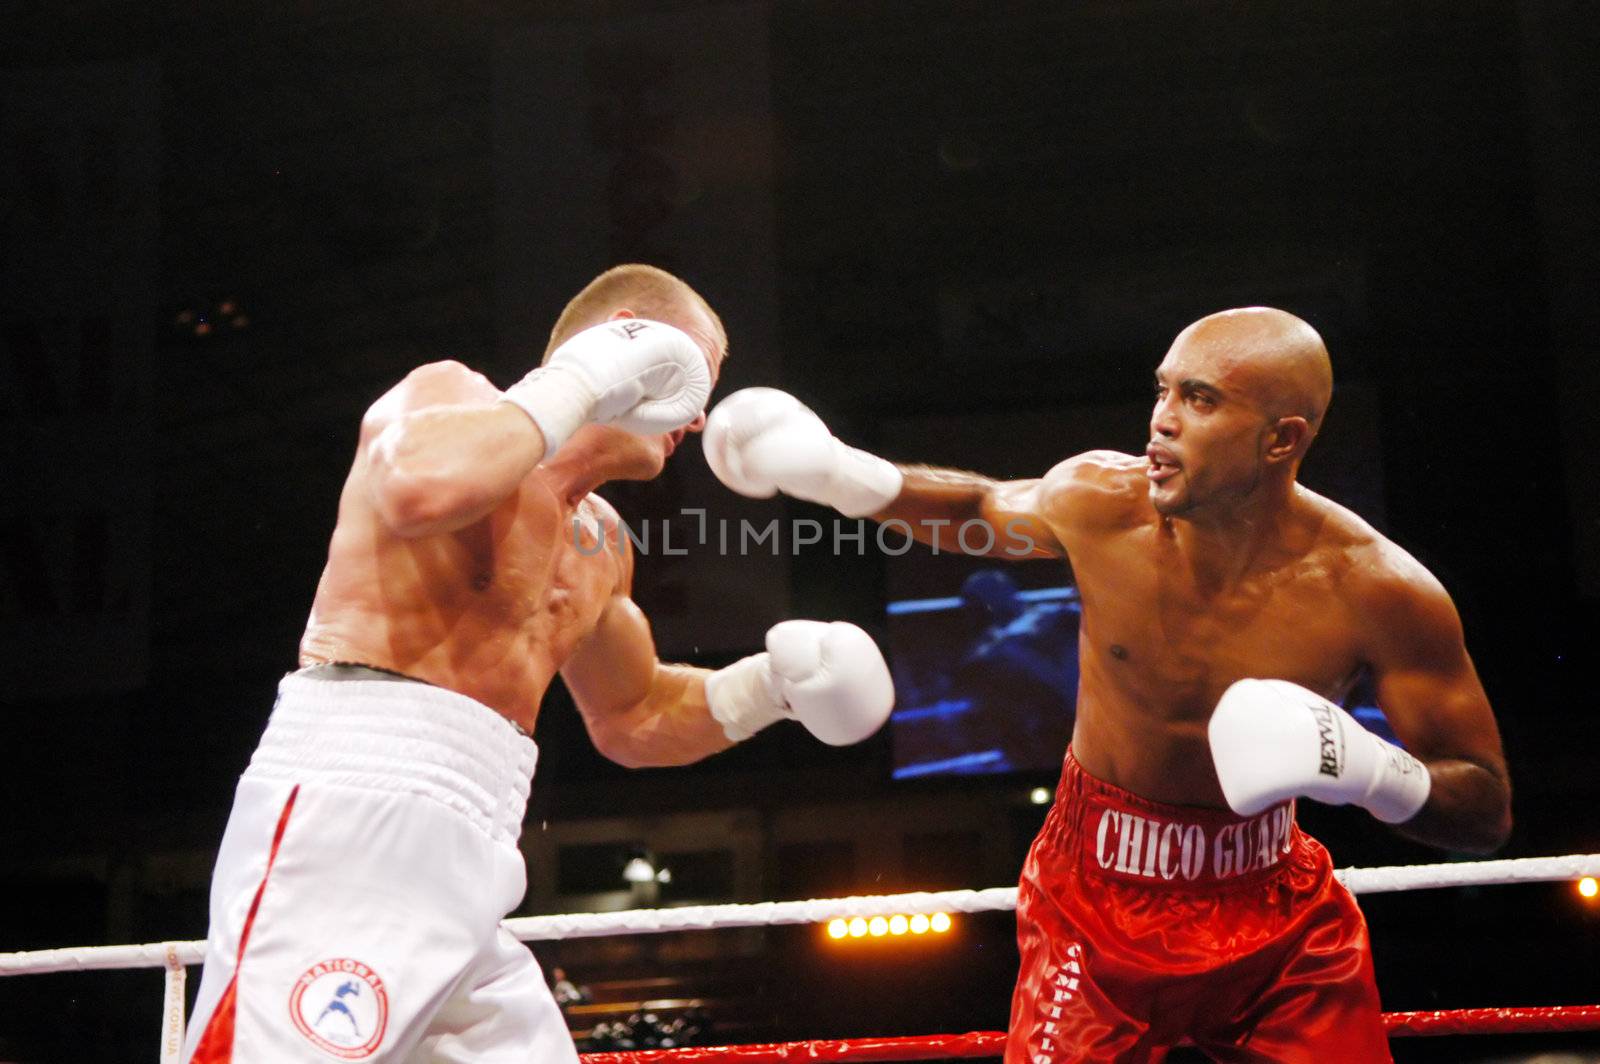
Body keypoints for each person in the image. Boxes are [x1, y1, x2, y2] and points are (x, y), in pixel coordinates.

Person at [703, 307, 1511, 1063]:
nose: (1161, 419)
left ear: (1281, 439)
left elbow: (1486, 808)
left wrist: (1374, 772)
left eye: (1199, 399)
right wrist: (837, 475)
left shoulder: (1377, 591)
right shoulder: (1101, 502)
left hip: (1277, 911)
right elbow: (980, 506)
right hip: (1092, 898)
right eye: (1163, 390)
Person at [184, 264, 895, 1063]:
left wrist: (773, 688)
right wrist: (590, 373)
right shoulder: (449, 396)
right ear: (629, 339)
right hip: (354, 805)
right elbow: (419, 489)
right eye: (692, 369)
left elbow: (633, 717)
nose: (699, 416)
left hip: (479, 853)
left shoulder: (601, 542)